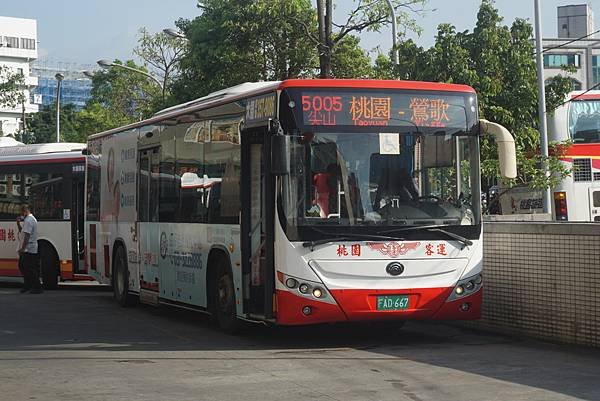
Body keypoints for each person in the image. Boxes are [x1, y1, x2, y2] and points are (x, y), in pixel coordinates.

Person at [17, 204, 42, 294]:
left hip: (29, 248)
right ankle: (28, 285)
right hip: (28, 247)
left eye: (22, 211)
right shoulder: (28, 220)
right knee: (23, 266)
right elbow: (23, 232)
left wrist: (23, 248)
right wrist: (18, 224)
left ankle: (37, 287)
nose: (21, 213)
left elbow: (27, 235)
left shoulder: (29, 220)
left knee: (30, 268)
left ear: (26, 210)